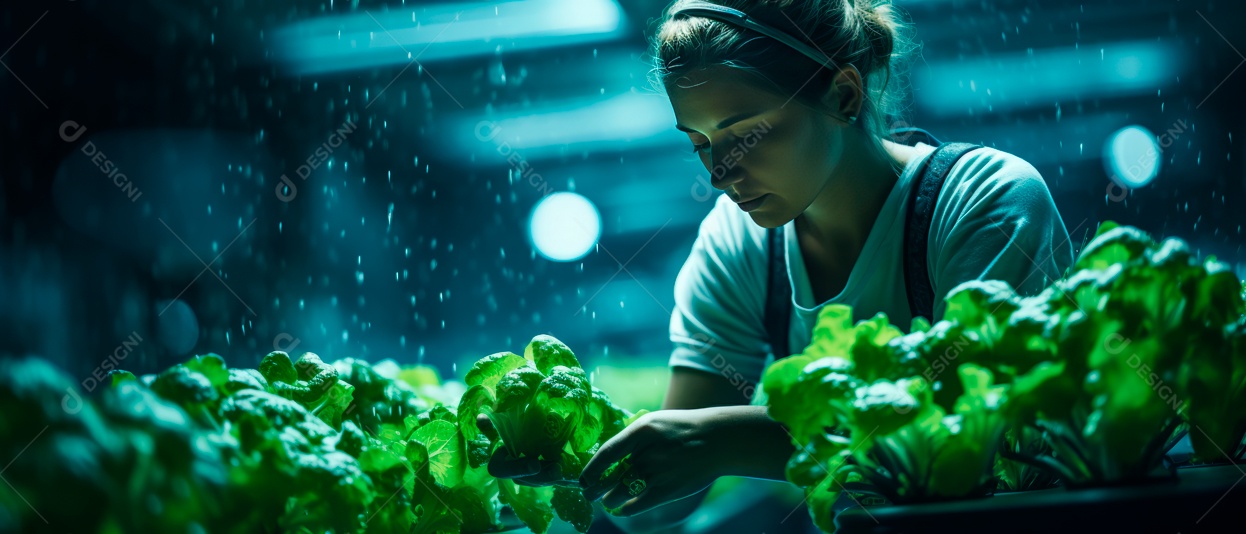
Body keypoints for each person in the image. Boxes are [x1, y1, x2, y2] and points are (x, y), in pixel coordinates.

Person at [483, 0, 1076, 531]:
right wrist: (578, 465)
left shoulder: (984, 200)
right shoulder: (736, 243)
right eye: (699, 142)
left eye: (746, 133)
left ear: (844, 95)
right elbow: (667, 502)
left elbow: (977, 440)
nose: (718, 171)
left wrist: (725, 441)